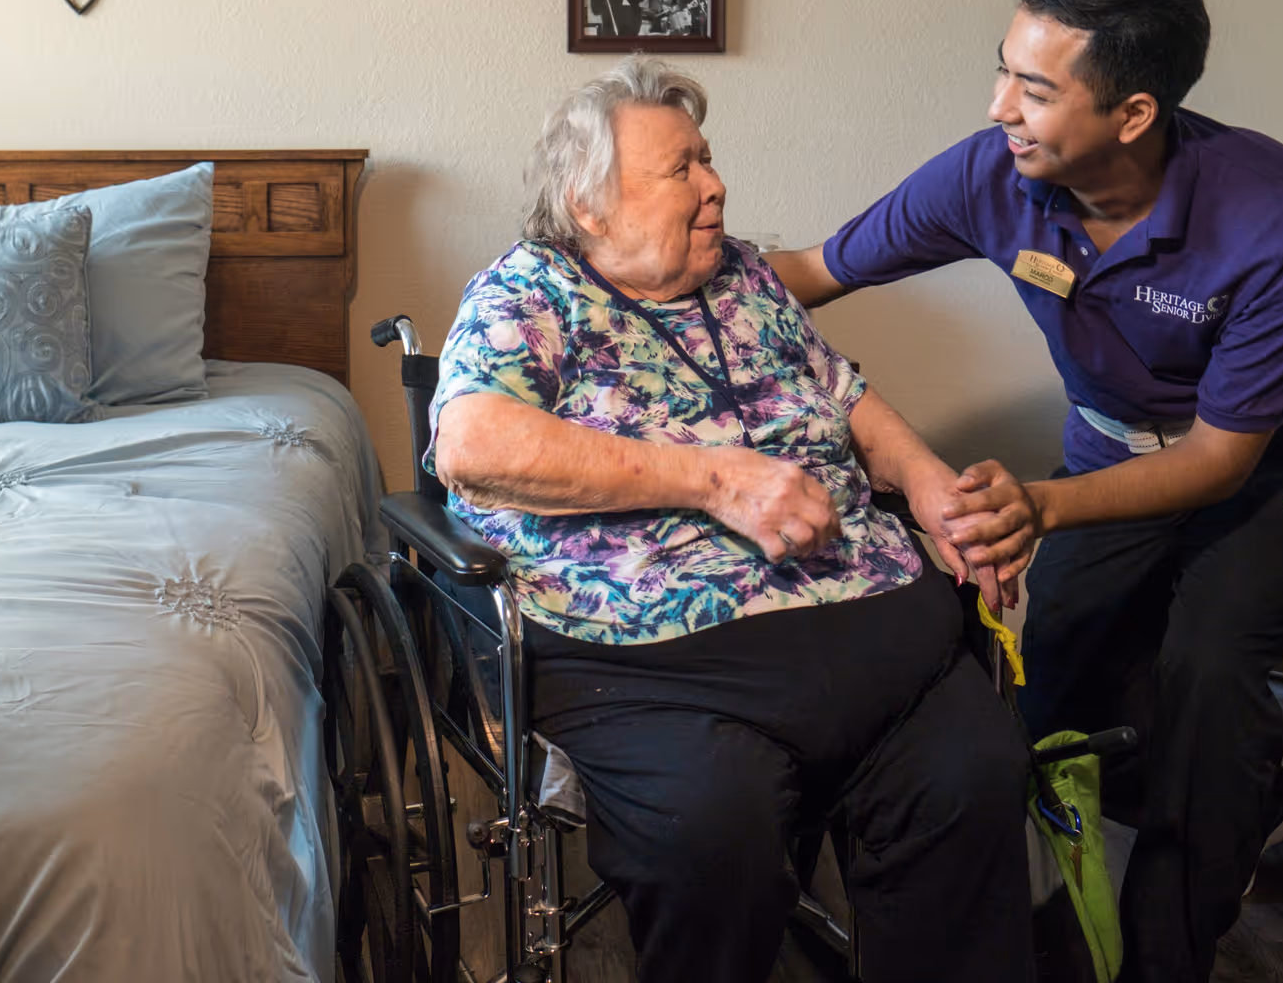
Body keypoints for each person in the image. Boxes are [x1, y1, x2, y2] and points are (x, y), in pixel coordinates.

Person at [767, 0, 1283, 983]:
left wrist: (1040, 502)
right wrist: (607, 287)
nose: (998, 106)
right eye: (1004, 68)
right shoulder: (991, 175)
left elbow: (1219, 460)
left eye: (1033, 88)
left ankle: (1168, 954)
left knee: (1211, 669)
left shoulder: (1281, 216)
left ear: (1132, 113)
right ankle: (1248, 793)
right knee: (1049, 702)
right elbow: (809, 270)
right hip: (1102, 452)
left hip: (1264, 470)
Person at [426, 56, 1036, 983]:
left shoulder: (747, 279)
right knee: (713, 826)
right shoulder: (528, 295)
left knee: (976, 772)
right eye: (682, 169)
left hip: (883, 648)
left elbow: (848, 398)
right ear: (590, 205)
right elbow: (474, 444)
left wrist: (926, 484)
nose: (715, 185)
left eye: (708, 159)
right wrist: (716, 482)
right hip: (658, 674)